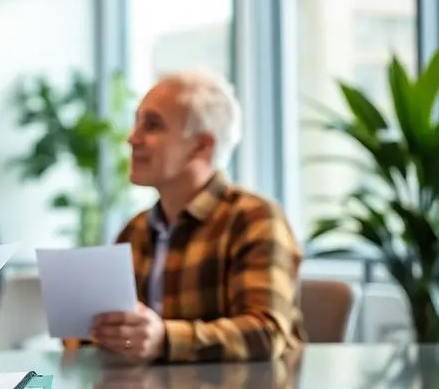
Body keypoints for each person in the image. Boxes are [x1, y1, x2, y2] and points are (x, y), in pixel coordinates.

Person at [67, 70, 305, 363]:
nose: (132, 138)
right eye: (136, 123)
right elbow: (117, 332)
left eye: (152, 126)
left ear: (202, 145)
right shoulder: (136, 229)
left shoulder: (254, 218)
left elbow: (266, 332)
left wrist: (165, 339)